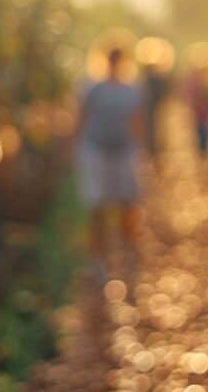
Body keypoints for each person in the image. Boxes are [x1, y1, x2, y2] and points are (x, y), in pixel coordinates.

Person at [76, 47, 144, 282]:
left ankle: (129, 254)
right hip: (97, 151)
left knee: (128, 205)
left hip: (123, 151)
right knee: (97, 208)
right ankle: (98, 261)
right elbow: (81, 118)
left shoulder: (131, 91)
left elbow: (136, 122)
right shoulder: (92, 89)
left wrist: (142, 152)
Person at [184, 64, 208, 158]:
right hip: (199, 112)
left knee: (204, 130)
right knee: (201, 130)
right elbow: (191, 96)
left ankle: (204, 150)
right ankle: (202, 150)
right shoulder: (196, 82)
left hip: (204, 113)